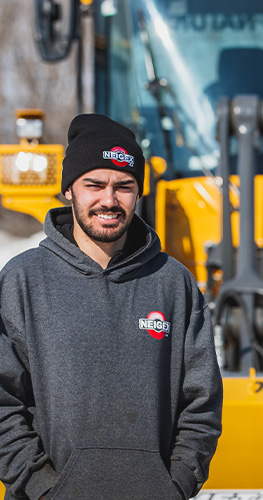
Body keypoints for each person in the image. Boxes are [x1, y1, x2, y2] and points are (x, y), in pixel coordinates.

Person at [0, 114, 223, 500]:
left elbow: (201, 402)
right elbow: (4, 401)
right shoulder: (23, 279)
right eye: (94, 185)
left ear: (138, 193)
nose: (109, 199)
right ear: (69, 190)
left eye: (124, 186)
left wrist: (176, 483)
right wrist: (41, 487)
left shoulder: (174, 282)